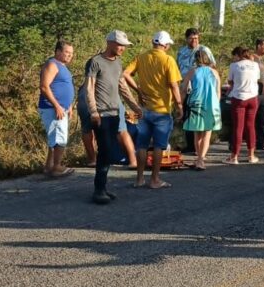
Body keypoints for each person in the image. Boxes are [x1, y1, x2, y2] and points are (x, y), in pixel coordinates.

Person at [123, 30, 183, 189]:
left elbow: (125, 74)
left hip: (144, 109)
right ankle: (155, 179)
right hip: (162, 110)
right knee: (158, 145)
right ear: (166, 45)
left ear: (153, 43)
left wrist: (138, 90)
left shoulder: (141, 57)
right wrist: (180, 105)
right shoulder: (168, 60)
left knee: (141, 145)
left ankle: (139, 179)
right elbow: (174, 85)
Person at [85, 30, 131, 204]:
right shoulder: (95, 62)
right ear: (110, 42)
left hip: (114, 112)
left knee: (109, 150)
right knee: (104, 150)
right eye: (120, 45)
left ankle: (102, 187)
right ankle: (98, 190)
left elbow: (122, 86)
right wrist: (93, 111)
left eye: (124, 46)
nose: (122, 48)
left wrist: (134, 106)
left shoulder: (118, 63)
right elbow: (89, 88)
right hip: (101, 114)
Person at [38, 40, 75, 178]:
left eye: (71, 53)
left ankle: (49, 166)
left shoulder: (62, 66)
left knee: (54, 137)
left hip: (61, 108)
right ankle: (57, 166)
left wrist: (69, 105)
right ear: (58, 51)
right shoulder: (52, 64)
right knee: (60, 138)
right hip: (52, 108)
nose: (69, 55)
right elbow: (44, 86)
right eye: (66, 52)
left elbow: (64, 87)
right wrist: (57, 105)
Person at [177, 27, 216, 154]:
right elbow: (177, 68)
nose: (194, 40)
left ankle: (200, 148)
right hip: (184, 86)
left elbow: (212, 66)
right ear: (186, 38)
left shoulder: (204, 50)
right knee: (187, 117)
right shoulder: (181, 51)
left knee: (200, 118)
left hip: (200, 88)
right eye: (191, 38)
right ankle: (190, 146)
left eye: (196, 38)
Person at [183, 49, 222, 170]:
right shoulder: (214, 72)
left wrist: (180, 103)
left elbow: (184, 88)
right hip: (211, 104)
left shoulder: (193, 72)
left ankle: (199, 158)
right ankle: (201, 158)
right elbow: (218, 91)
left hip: (196, 103)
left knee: (197, 133)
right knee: (207, 133)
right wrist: (216, 104)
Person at [226, 46, 261, 164]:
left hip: (239, 98)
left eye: (234, 56)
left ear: (238, 55)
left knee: (238, 127)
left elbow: (230, 81)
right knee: (250, 126)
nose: (234, 58)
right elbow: (257, 78)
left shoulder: (234, 66)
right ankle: (251, 155)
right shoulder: (255, 65)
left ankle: (234, 157)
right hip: (252, 98)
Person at [75, 56, 98, 165]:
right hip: (93, 96)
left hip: (83, 94)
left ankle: (92, 159)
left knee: (86, 129)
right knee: (95, 128)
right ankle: (98, 158)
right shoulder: (98, 63)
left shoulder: (90, 63)